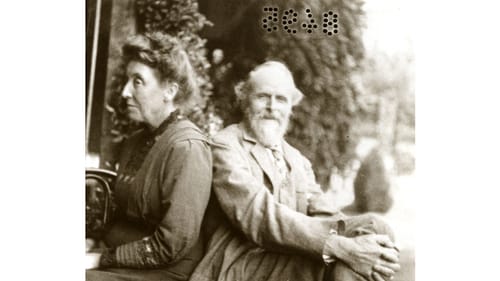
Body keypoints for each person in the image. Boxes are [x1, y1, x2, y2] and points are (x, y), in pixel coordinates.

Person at [189, 61, 400, 281]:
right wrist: (341, 247)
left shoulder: (296, 159)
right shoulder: (226, 145)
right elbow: (259, 216)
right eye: (262, 97)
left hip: (285, 257)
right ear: (244, 99)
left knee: (375, 227)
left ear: (290, 108)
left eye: (281, 99)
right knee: (342, 261)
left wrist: (369, 249)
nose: (272, 107)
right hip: (240, 263)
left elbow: (326, 215)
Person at [85, 32, 212, 281]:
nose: (124, 92)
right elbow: (121, 217)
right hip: (119, 257)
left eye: (138, 81)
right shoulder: (136, 140)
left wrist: (100, 258)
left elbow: (171, 245)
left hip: (164, 271)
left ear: (170, 90)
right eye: (126, 80)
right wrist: (93, 242)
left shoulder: (187, 148)